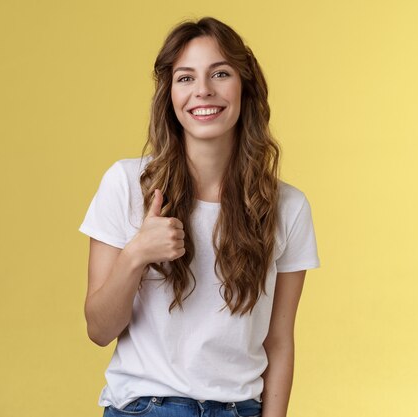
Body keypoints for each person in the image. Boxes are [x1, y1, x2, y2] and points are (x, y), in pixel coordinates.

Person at [79, 16, 320, 417]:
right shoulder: (125, 183)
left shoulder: (286, 207)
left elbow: (278, 342)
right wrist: (136, 253)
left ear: (245, 86)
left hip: (239, 409)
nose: (203, 91)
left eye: (220, 73)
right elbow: (99, 330)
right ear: (170, 95)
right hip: (147, 407)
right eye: (186, 78)